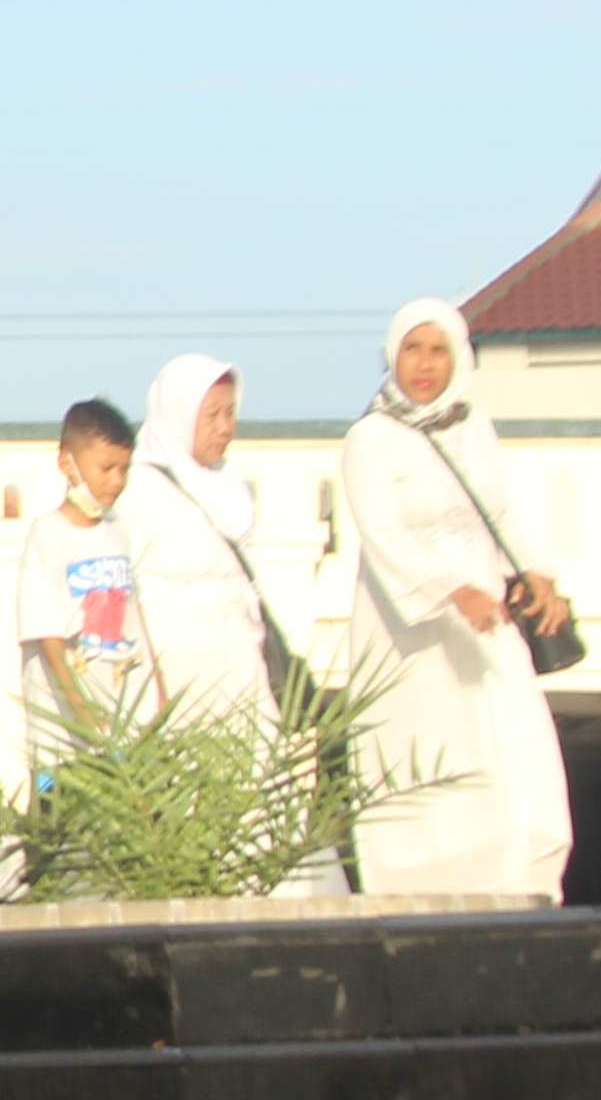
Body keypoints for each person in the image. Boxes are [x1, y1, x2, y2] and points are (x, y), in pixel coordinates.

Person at [341, 301, 576, 902]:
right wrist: (452, 591)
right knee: (427, 744)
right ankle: (424, 886)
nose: (424, 365)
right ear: (392, 356)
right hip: (413, 624)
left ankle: (519, 878)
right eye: (412, 349)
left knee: (513, 734)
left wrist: (538, 573)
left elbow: (498, 512)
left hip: (485, 612)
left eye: (438, 350)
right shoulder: (371, 438)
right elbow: (381, 532)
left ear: (458, 358)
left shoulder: (474, 427)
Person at [121, 355, 284, 719]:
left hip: (239, 668)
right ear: (178, 414)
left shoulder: (230, 486)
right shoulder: (140, 488)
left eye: (230, 413)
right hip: (175, 674)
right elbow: (125, 592)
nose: (225, 427)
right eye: (211, 416)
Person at [14, 399, 147, 743]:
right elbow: (47, 634)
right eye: (106, 468)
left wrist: (153, 695)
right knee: (56, 782)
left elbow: (135, 620)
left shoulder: (117, 531)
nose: (116, 481)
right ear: (67, 462)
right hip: (63, 733)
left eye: (124, 469)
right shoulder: (48, 533)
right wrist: (81, 709)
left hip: (118, 723)